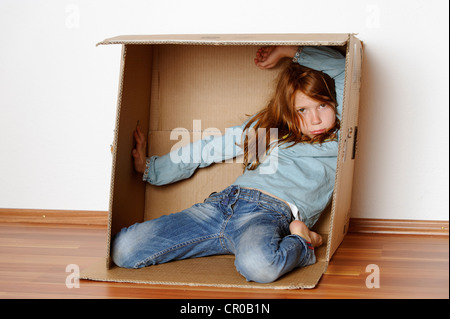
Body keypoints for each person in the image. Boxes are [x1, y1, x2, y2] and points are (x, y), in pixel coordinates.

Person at [111, 45, 346, 283]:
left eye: (322, 105)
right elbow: (211, 148)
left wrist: (288, 51)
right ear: (287, 110)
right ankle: (230, 241)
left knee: (260, 267)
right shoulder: (270, 131)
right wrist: (151, 168)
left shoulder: (338, 140)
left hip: (273, 215)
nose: (315, 118)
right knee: (123, 249)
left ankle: (303, 242)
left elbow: (343, 71)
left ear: (335, 104)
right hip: (224, 204)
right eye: (302, 110)